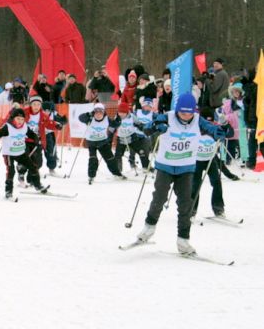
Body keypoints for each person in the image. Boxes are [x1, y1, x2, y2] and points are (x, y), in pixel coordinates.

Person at [134, 93, 228, 255]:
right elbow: (148, 127)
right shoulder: (167, 117)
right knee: (160, 197)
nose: (185, 115)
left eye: (189, 112)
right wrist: (156, 126)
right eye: (182, 112)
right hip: (165, 166)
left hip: (186, 167)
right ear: (177, 110)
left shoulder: (198, 120)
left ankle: (183, 241)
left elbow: (211, 128)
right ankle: (148, 229)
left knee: (186, 204)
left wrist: (218, 132)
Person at [0, 107, 48, 199]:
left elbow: (30, 133)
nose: (20, 121)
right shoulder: (8, 127)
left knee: (33, 167)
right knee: (11, 171)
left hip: (21, 152)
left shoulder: (24, 126)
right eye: (18, 119)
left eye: (22, 119)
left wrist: (36, 138)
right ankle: (8, 191)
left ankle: (37, 185)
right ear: (13, 118)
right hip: (9, 154)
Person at [78, 104, 126, 183]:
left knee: (110, 159)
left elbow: (115, 124)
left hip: (103, 142)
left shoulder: (107, 119)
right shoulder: (90, 119)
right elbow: (80, 118)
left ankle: (117, 174)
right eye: (96, 112)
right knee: (93, 159)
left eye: (101, 112)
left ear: (104, 112)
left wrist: (118, 119)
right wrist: (88, 114)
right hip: (92, 143)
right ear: (94, 112)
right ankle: (91, 176)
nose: (98, 114)